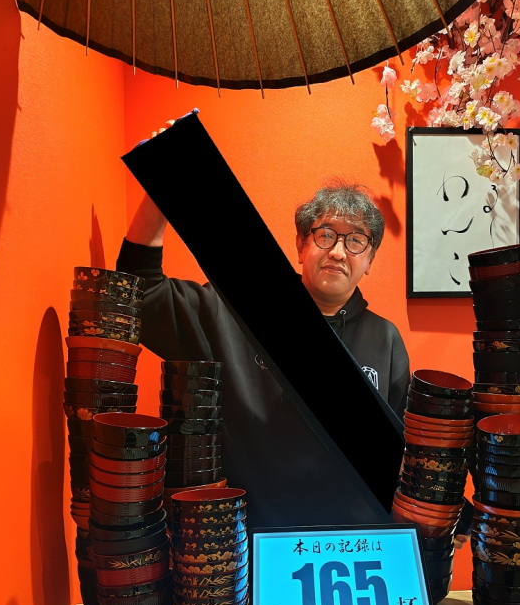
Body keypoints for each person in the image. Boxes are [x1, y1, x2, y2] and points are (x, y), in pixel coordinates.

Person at [116, 166, 411, 530]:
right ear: (301, 245)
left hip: (350, 543)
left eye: (355, 241)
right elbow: (140, 295)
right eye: (325, 235)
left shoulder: (386, 339)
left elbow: (403, 455)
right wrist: (159, 186)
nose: (338, 251)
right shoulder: (234, 312)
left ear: (369, 261)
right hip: (247, 541)